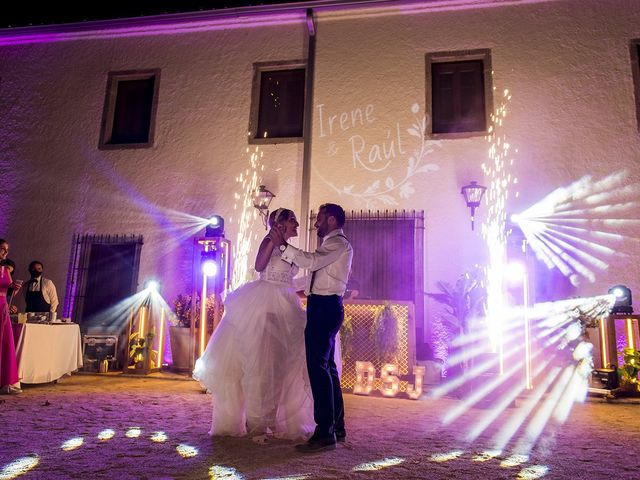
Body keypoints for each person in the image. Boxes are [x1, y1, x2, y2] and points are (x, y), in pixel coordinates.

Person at [193, 208, 314, 441]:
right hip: (265, 306)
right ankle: (257, 423)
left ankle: (275, 420)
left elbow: (286, 279)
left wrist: (308, 285)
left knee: (282, 366)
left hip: (286, 305)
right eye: (293, 222)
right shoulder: (269, 240)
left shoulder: (288, 247)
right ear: (280, 224)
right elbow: (260, 267)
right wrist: (273, 240)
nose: (297, 226)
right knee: (261, 365)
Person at [271, 203, 353, 453]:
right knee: (327, 368)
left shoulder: (337, 244)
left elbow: (312, 262)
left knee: (318, 368)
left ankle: (325, 432)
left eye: (319, 218)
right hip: (323, 306)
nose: (315, 223)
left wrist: (283, 246)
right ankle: (336, 427)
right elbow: (316, 275)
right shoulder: (333, 243)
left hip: (325, 308)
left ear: (330, 219)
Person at [0, 239, 23, 394]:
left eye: (7, 250)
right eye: (2, 249)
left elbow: (7, 292)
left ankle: (5, 382)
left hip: (2, 306)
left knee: (6, 342)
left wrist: (14, 289)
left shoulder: (6, 269)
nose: (5, 253)